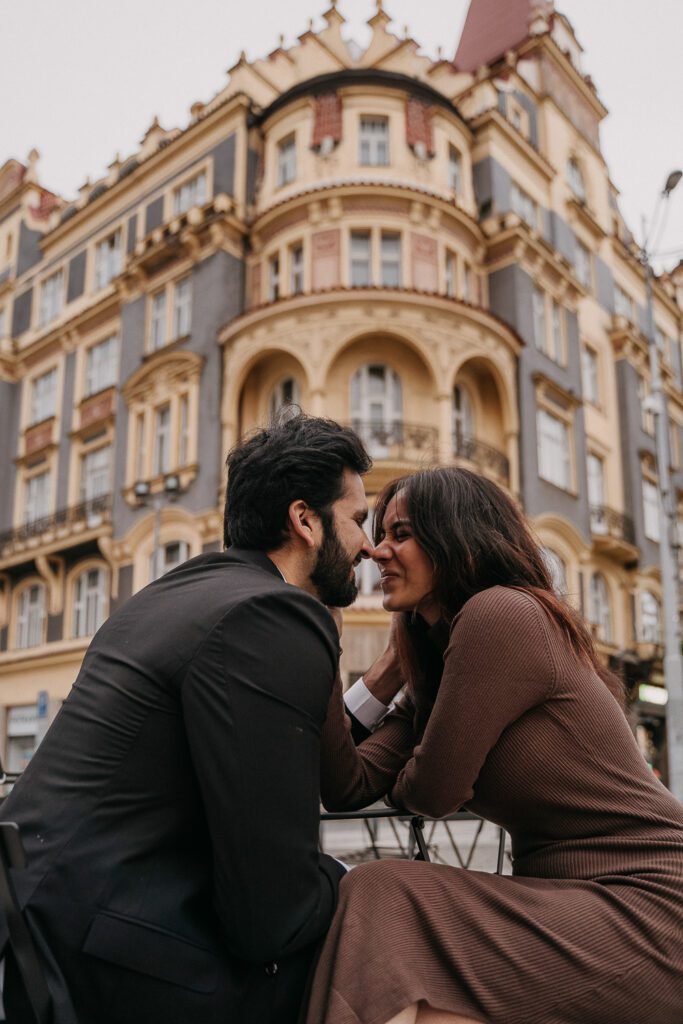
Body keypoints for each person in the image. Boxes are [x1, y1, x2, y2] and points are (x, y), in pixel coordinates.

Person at [0, 413, 375, 1024]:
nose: (369, 545)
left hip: (42, 938)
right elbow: (269, 920)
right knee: (389, 965)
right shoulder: (270, 615)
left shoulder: (170, 594)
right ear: (305, 520)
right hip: (111, 965)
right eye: (359, 519)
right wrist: (362, 885)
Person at [307, 467, 683, 1024]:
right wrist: (369, 669)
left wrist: (419, 760)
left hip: (647, 905)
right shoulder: (437, 668)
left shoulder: (502, 614)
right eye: (380, 533)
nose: (376, 552)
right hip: (566, 904)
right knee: (417, 994)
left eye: (401, 534)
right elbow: (345, 785)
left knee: (384, 892)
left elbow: (433, 790)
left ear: (458, 539)